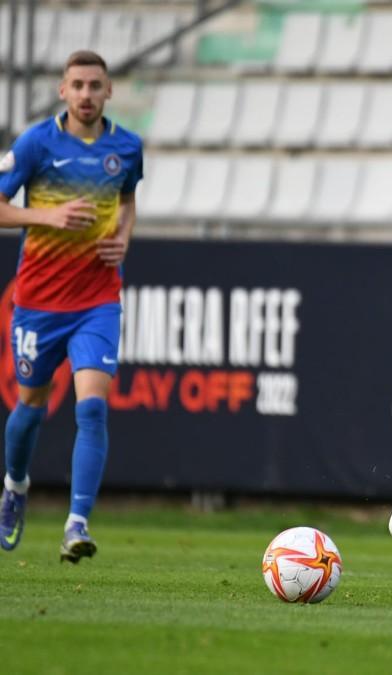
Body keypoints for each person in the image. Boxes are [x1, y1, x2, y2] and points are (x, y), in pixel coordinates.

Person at [0, 51, 142, 563]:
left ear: (108, 92)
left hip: (98, 300)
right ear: (62, 90)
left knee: (93, 406)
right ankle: (15, 486)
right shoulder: (36, 143)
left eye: (95, 85)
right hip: (38, 303)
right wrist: (49, 215)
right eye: (77, 85)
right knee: (28, 408)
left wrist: (123, 237)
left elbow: (126, 203)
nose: (86, 94)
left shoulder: (127, 147)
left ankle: (76, 522)